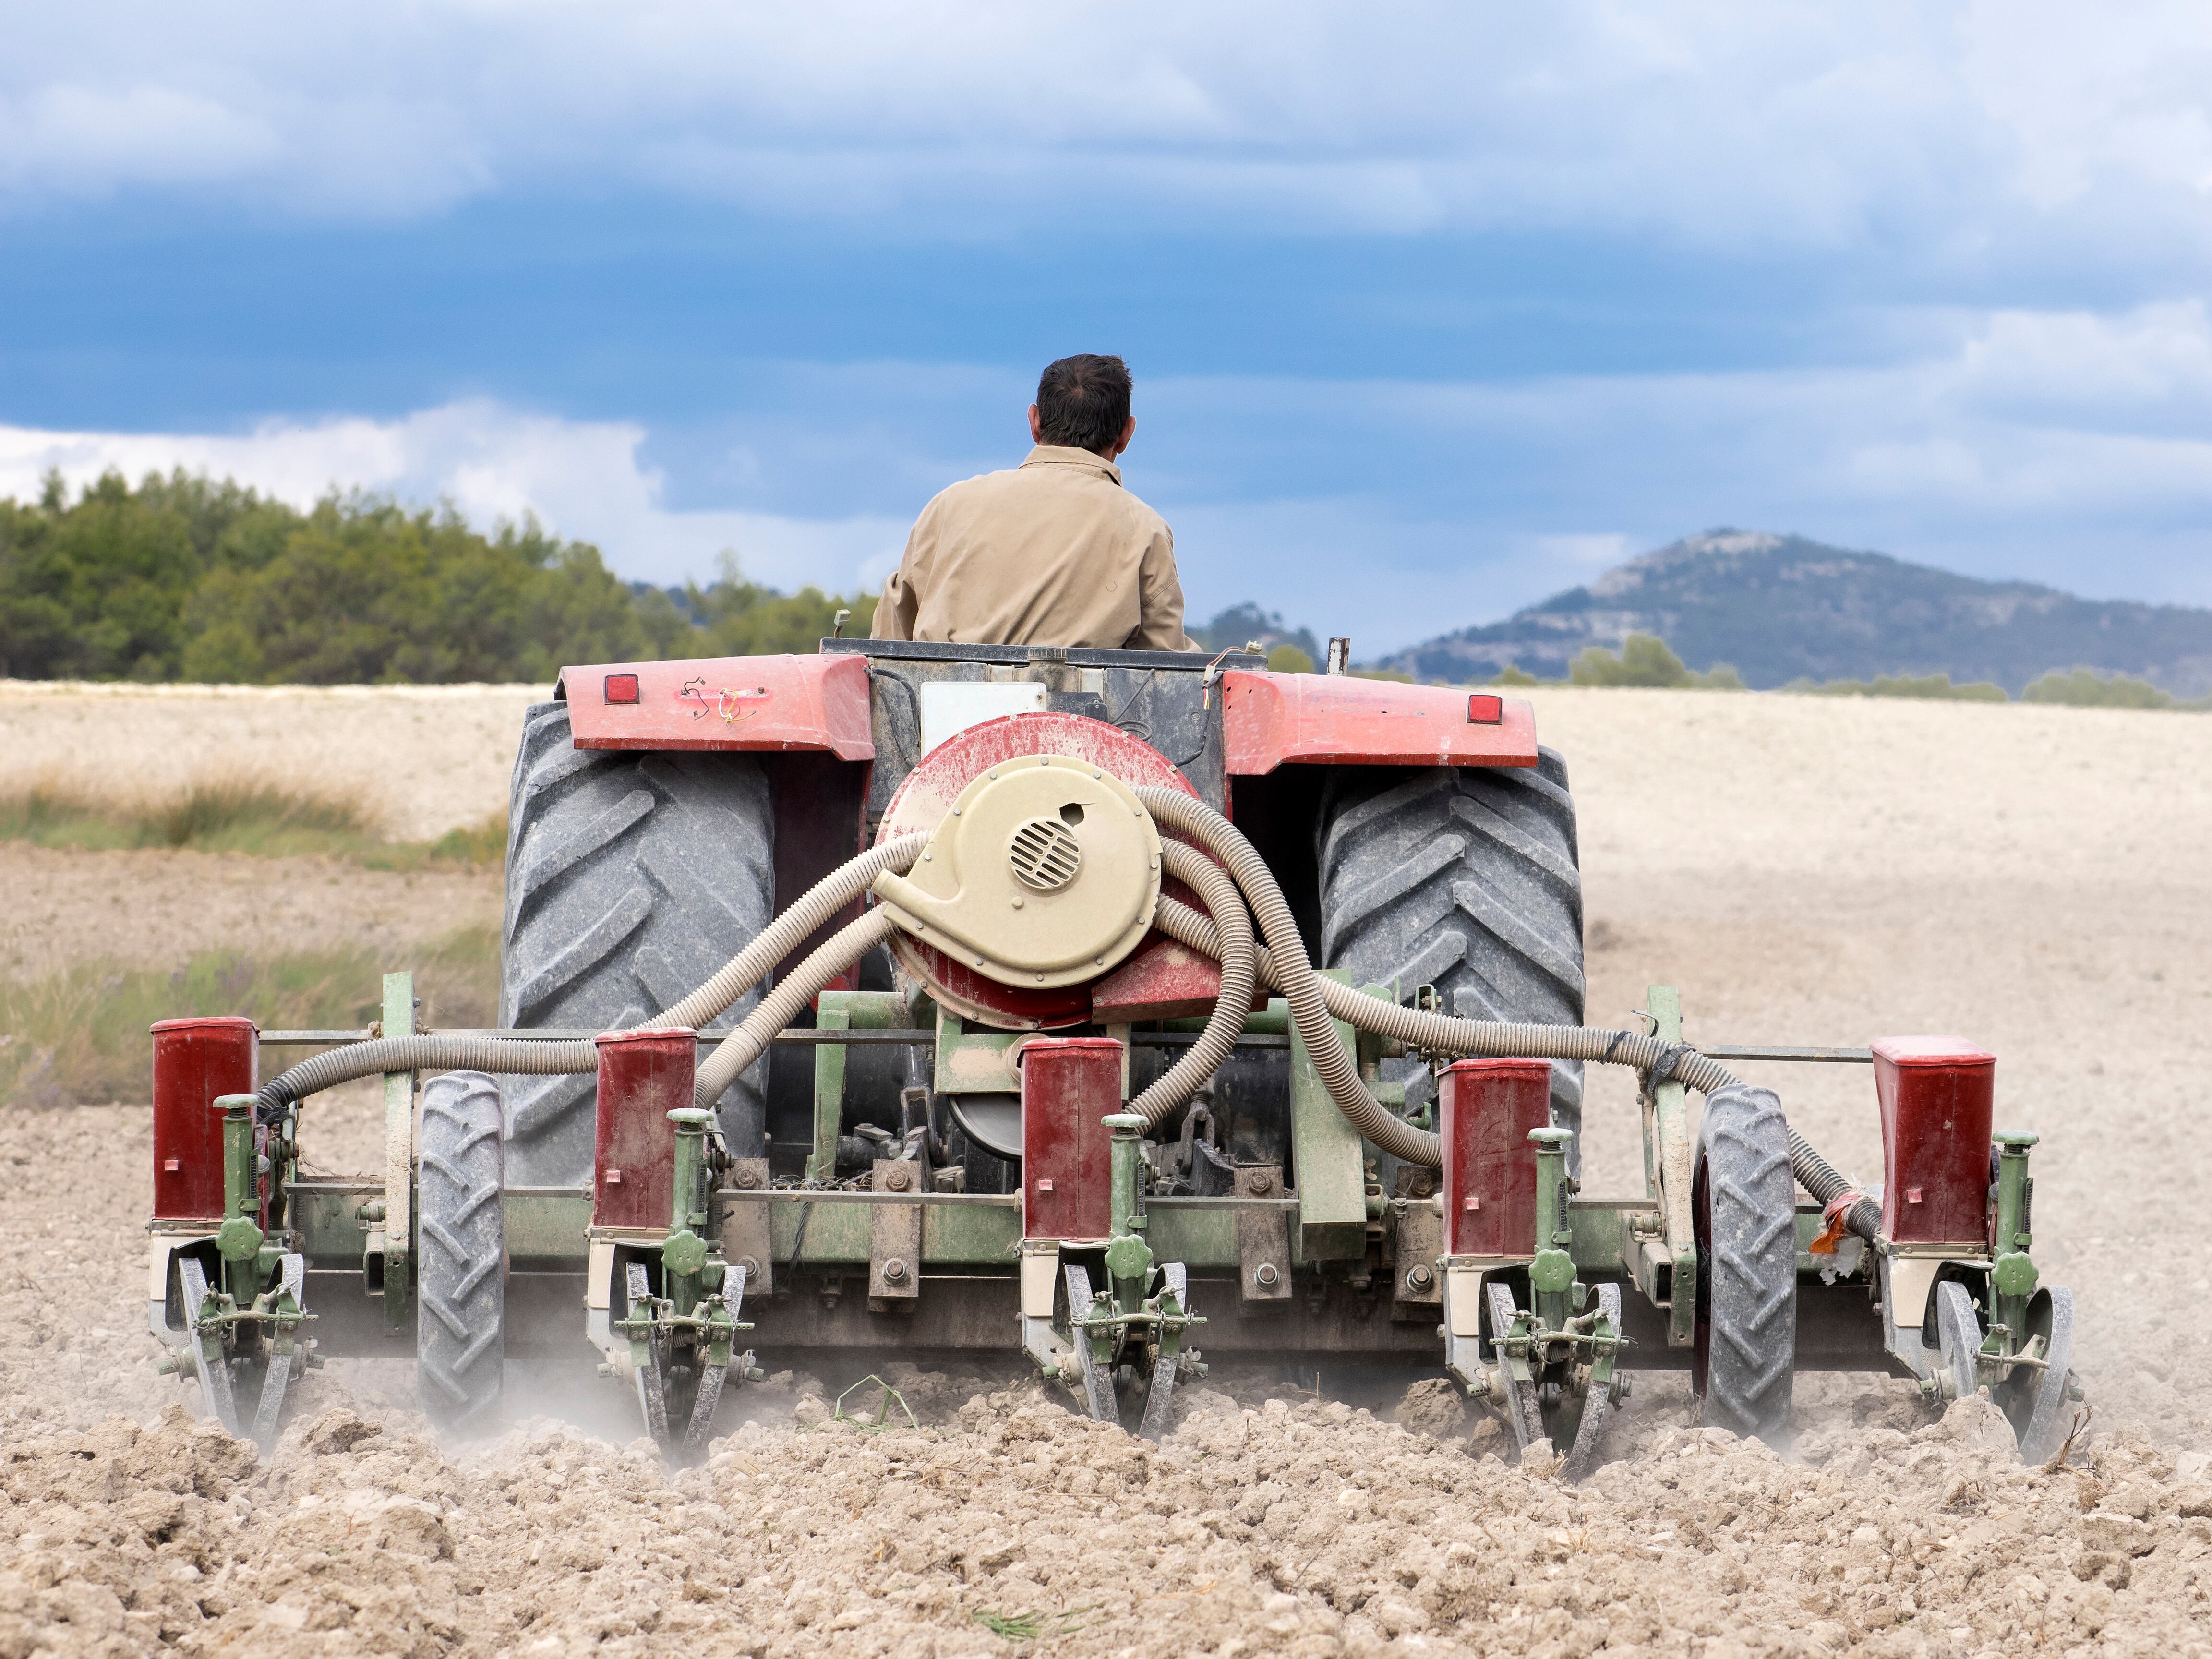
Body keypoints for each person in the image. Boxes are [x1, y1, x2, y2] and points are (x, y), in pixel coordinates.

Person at [871, 354, 1193, 650]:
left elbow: (888, 640)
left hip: (940, 709)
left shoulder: (947, 506)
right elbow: (1161, 664)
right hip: (1078, 712)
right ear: (1126, 433)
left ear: (1035, 422)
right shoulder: (1145, 528)